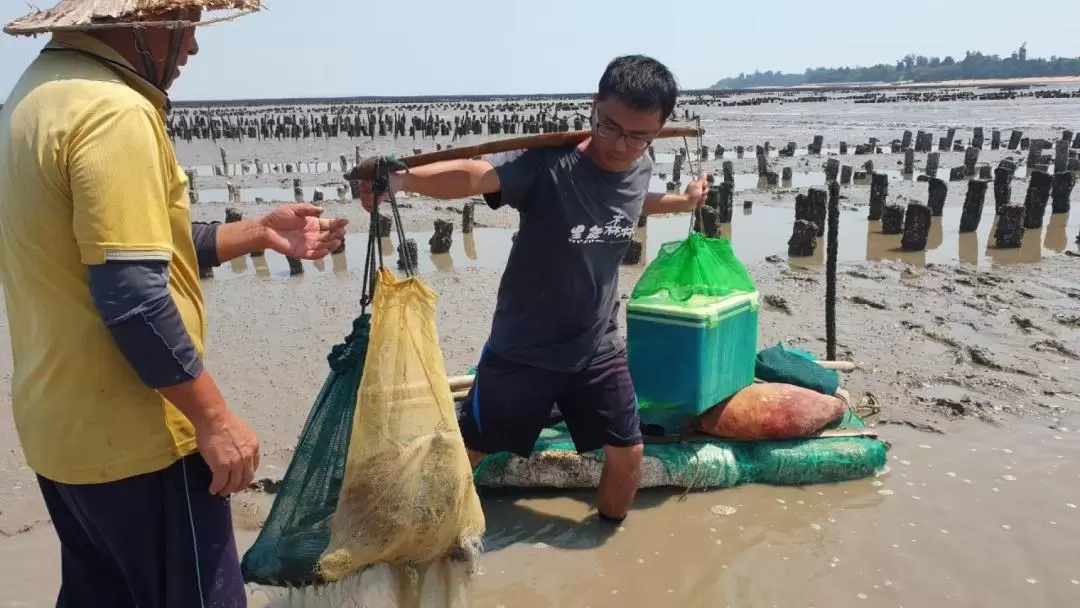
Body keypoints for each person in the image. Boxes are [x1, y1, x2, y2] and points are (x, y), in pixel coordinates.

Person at [0, 2, 347, 606]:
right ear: (137, 25)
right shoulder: (113, 113)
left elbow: (127, 245)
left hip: (61, 434)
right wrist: (215, 419)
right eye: (183, 27)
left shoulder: (32, 98)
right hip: (140, 443)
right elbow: (133, 298)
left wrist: (260, 231)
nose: (191, 49)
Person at [361, 54, 707, 524]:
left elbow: (629, 201)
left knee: (628, 456)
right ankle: (419, 530)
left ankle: (606, 548)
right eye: (609, 127)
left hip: (598, 345)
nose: (620, 144)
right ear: (594, 106)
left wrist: (681, 202)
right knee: (474, 449)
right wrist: (401, 181)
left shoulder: (640, 162)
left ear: (659, 129)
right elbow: (475, 175)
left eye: (637, 136)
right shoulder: (546, 165)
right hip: (523, 346)